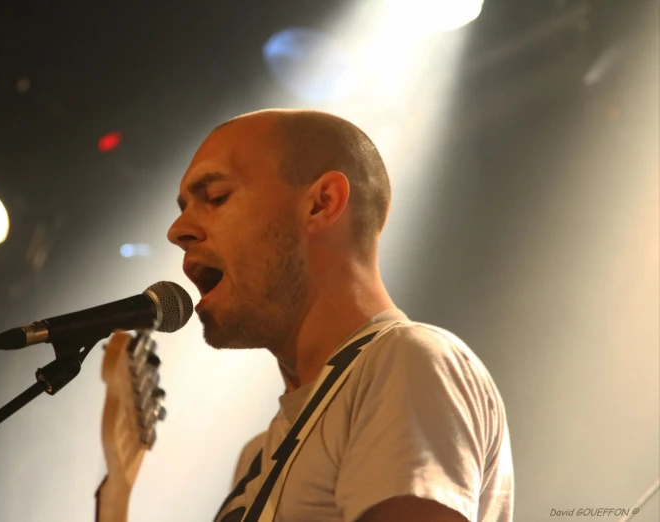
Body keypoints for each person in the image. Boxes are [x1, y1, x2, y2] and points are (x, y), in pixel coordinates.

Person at [167, 109, 514, 522]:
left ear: (321, 204)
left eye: (216, 197)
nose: (177, 230)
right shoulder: (256, 458)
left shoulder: (406, 361)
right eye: (184, 206)